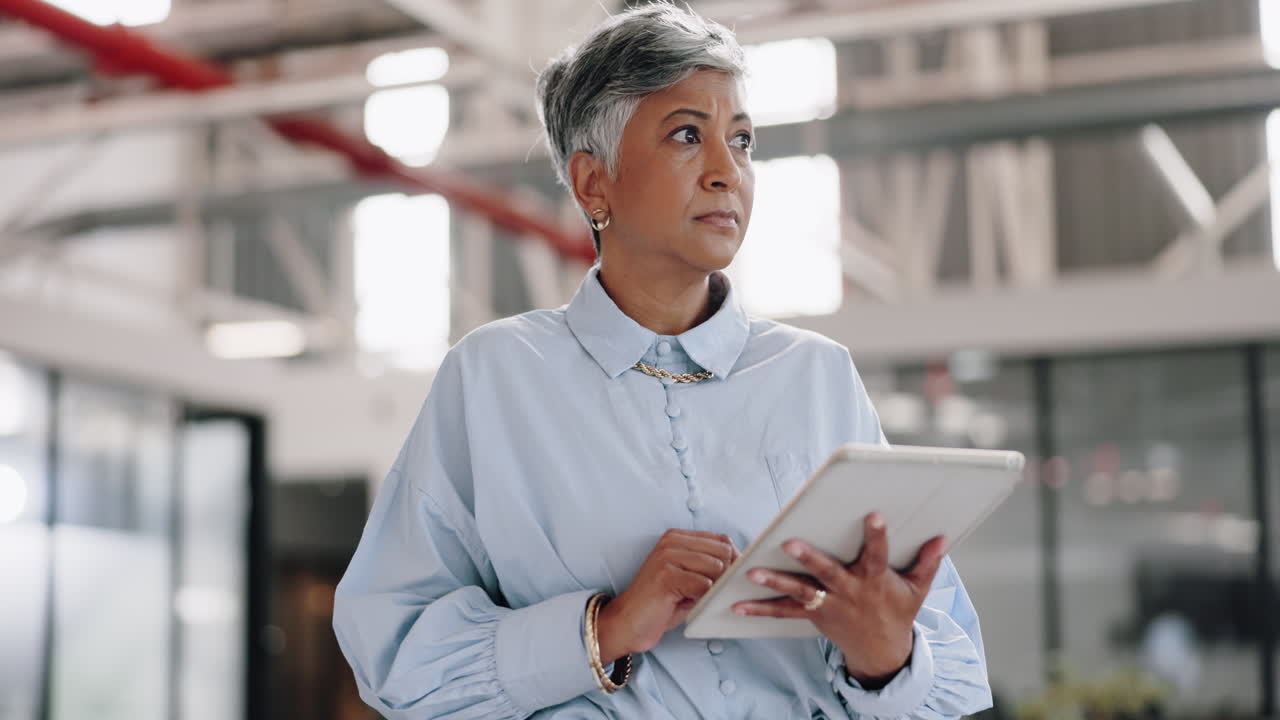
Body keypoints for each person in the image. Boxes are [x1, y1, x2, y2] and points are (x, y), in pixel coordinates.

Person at [333, 4, 991, 718]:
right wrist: (602, 629)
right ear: (593, 185)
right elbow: (393, 656)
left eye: (741, 142)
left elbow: (953, 679)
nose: (725, 172)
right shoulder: (494, 378)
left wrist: (882, 655)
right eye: (687, 135)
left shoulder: (817, 376)